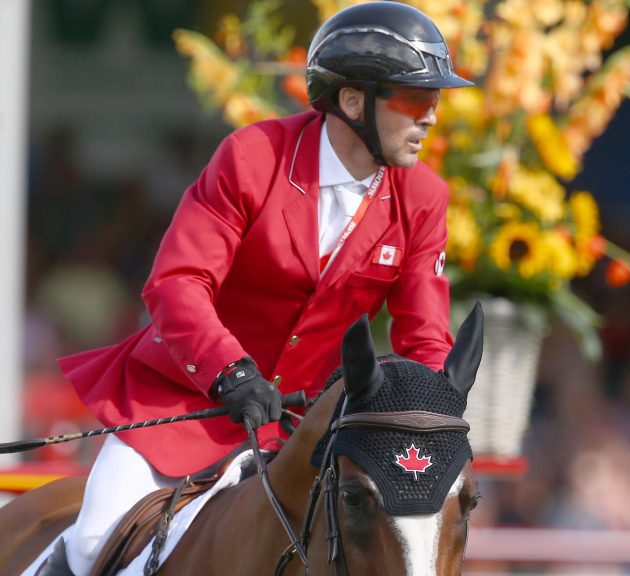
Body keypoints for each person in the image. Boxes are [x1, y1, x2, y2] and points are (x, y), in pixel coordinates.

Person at [37, 2, 472, 575]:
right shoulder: (254, 158)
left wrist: (430, 412)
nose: (431, 118)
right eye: (416, 100)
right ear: (351, 101)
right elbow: (176, 284)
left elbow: (425, 339)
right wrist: (231, 371)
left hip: (303, 433)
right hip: (189, 401)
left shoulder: (423, 199)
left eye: (435, 102)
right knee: (93, 541)